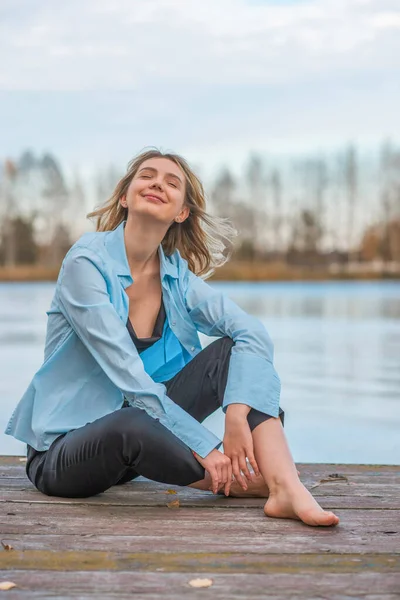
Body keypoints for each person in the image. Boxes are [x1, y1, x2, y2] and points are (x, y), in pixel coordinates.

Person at [5, 148, 339, 527]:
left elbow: (252, 333)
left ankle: (286, 486)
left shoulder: (175, 276)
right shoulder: (86, 263)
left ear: (182, 211)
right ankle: (241, 483)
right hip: (63, 455)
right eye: (146, 176)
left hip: (138, 449)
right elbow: (130, 378)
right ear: (124, 197)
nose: (157, 183)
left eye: (171, 181)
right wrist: (205, 446)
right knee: (130, 422)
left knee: (234, 353)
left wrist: (236, 411)